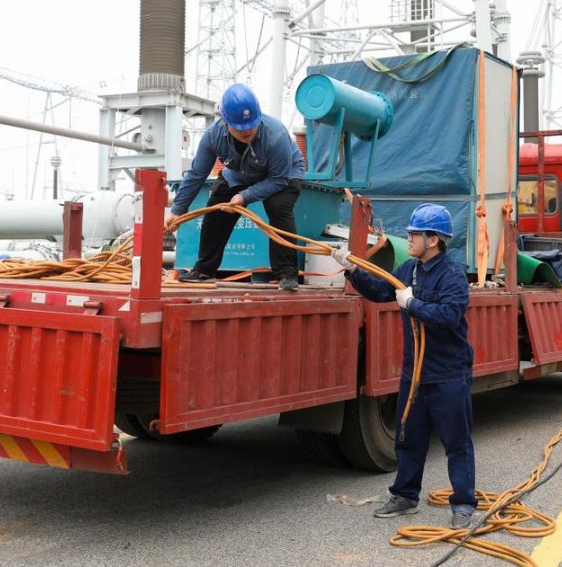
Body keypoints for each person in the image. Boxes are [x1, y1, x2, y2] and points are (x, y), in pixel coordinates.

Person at [330, 204, 477, 531]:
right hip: (416, 372)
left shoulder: (452, 275)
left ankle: (464, 502)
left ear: (434, 239)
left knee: (456, 441)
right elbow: (382, 291)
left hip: (449, 373)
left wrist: (414, 304)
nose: (409, 238)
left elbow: (450, 316)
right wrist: (352, 270)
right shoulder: (409, 269)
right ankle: (406, 495)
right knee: (408, 436)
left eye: (415, 233)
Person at [166, 83, 305, 291]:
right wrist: (177, 210)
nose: (247, 130)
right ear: (224, 121)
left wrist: (245, 196)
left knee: (278, 207)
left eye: (251, 125)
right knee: (216, 211)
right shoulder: (213, 136)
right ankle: (204, 270)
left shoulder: (275, 136)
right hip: (238, 175)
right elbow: (196, 175)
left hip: (282, 175)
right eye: (240, 127)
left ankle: (286, 273)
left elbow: (279, 180)